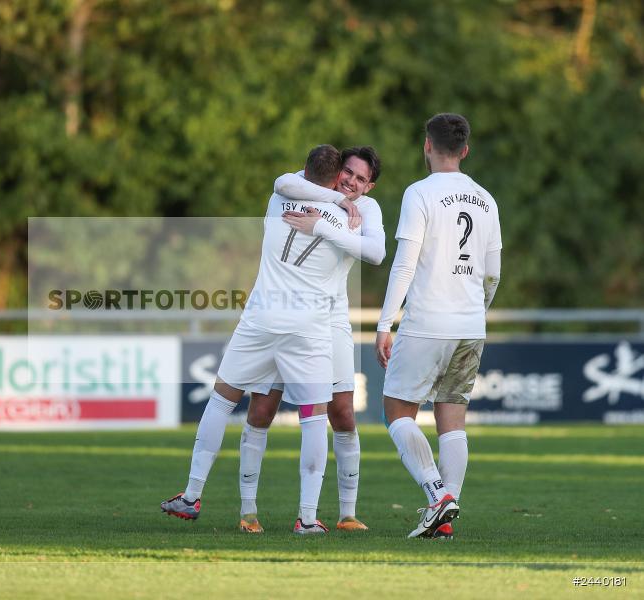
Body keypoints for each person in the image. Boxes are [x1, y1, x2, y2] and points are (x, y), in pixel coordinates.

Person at [161, 144, 352, 534]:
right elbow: (372, 251)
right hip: (309, 326)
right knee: (314, 419)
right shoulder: (347, 218)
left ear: (304, 170)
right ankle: (307, 518)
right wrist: (342, 201)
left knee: (221, 399)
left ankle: (193, 493)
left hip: (261, 318)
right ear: (337, 179)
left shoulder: (279, 197)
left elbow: (285, 181)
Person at [237, 146, 385, 534]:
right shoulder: (309, 190)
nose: (351, 181)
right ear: (337, 171)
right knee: (262, 409)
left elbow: (376, 252)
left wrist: (322, 226)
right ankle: (248, 512)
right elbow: (284, 182)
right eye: (347, 172)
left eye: (361, 179)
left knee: (343, 414)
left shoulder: (368, 209)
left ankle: (346, 514)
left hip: (331, 320)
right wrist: (332, 201)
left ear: (369, 186)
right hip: (285, 313)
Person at [375, 113, 501, 539]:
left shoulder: (419, 193)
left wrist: (384, 323)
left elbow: (405, 264)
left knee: (396, 411)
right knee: (452, 418)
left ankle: (437, 495)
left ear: (427, 145)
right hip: (470, 324)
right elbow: (493, 274)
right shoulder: (486, 199)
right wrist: (475, 310)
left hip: (427, 321)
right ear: (465, 150)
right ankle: (444, 517)